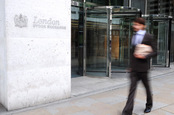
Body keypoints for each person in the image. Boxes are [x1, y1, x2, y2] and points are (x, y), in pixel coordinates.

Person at [122, 18, 157, 115]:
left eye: (137, 24)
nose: (134, 26)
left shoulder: (149, 37)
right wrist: (130, 66)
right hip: (134, 69)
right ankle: (127, 112)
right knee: (131, 90)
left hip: (143, 69)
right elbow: (132, 52)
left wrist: (145, 56)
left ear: (143, 26)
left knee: (147, 88)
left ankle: (149, 105)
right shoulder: (134, 36)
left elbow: (155, 52)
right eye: (134, 24)